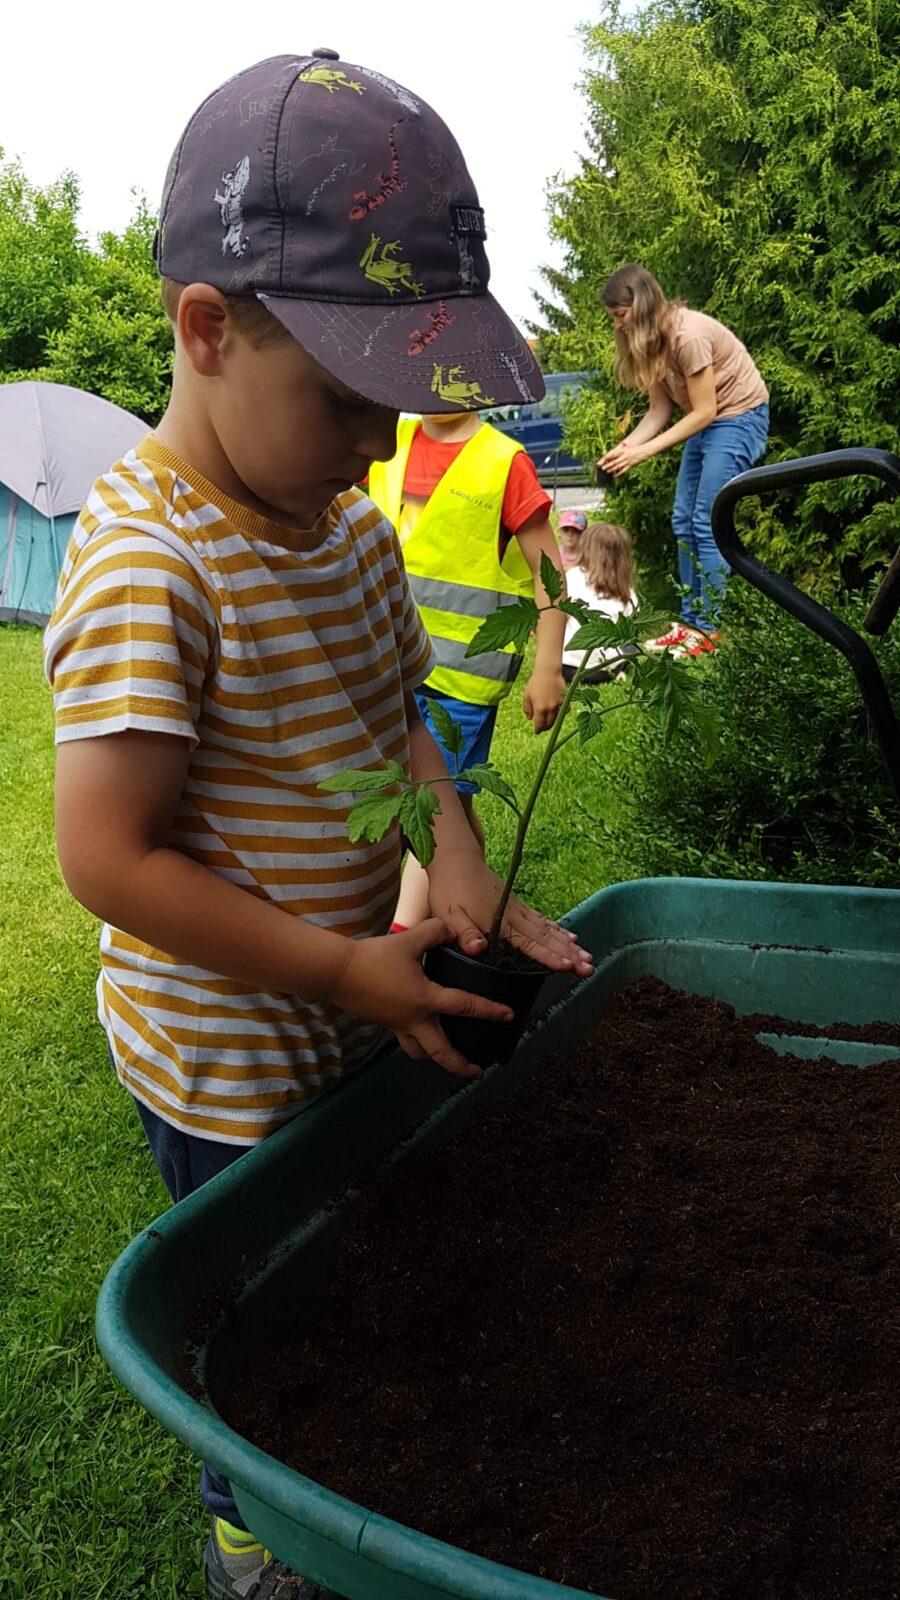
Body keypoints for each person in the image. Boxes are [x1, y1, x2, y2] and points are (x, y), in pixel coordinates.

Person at [42, 50, 593, 1600]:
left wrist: (459, 849)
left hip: (348, 1010)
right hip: (220, 1061)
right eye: (352, 401)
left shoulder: (346, 526)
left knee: (358, 1260)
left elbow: (402, 720)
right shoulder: (147, 561)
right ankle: (254, 1534)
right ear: (205, 330)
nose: (380, 444)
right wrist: (342, 973)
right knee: (257, 1312)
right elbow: (110, 855)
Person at [367, 406, 567, 933]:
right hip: (392, 668)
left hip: (463, 682)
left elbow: (551, 574)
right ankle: (477, 901)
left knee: (428, 809)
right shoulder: (386, 439)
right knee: (453, 801)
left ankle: (404, 936)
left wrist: (549, 665)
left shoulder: (503, 462)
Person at [597, 263, 769, 656]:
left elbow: (705, 411)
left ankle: (708, 631)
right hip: (707, 419)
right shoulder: (651, 343)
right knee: (682, 519)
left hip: (738, 416)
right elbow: (660, 411)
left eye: (620, 317)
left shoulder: (689, 335)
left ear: (639, 308)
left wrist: (644, 451)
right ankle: (690, 624)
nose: (618, 327)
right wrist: (626, 447)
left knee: (707, 521)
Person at [562, 522, 638, 683]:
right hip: (605, 670)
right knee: (631, 643)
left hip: (567, 667)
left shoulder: (572, 576)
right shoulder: (626, 591)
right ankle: (620, 672)